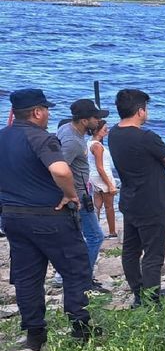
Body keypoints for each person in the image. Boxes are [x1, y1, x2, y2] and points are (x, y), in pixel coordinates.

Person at [0, 89, 102, 351]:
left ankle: (35, 334)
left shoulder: (3, 136)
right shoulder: (41, 138)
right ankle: (81, 328)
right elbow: (60, 169)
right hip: (49, 216)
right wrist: (70, 195)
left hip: (13, 216)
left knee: (27, 277)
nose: (48, 114)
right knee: (75, 270)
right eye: (46, 109)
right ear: (36, 112)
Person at [109, 89, 165, 307]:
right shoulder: (145, 136)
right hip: (151, 200)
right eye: (146, 109)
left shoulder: (114, 133)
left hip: (130, 199)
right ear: (140, 111)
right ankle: (151, 301)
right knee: (153, 254)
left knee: (131, 250)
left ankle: (139, 294)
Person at [56, 99, 109, 287]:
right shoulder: (72, 142)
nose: (98, 122)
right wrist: (68, 194)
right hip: (77, 195)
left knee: (75, 237)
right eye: (96, 118)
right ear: (84, 121)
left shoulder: (68, 130)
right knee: (95, 236)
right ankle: (82, 278)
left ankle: (67, 276)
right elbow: (60, 168)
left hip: (79, 192)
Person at [87, 119, 118, 238]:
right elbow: (100, 167)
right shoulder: (97, 146)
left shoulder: (89, 143)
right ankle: (112, 232)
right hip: (102, 176)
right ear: (97, 131)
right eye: (105, 129)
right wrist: (109, 184)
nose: (107, 131)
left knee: (97, 205)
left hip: (93, 176)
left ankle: (95, 231)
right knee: (109, 206)